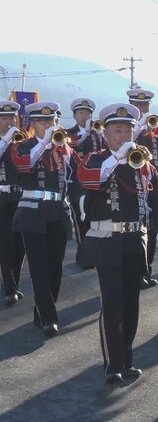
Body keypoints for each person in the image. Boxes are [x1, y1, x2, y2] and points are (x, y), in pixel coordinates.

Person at [77, 103, 158, 384]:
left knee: (131, 304)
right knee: (112, 303)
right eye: (117, 130)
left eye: (128, 130)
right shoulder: (97, 159)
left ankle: (127, 360)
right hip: (107, 239)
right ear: (106, 133)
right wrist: (115, 160)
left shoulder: (141, 162)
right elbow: (85, 181)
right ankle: (112, 364)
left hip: (136, 239)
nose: (123, 136)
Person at [11, 101, 82, 337]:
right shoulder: (22, 145)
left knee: (55, 268)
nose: (48, 126)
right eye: (42, 122)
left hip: (58, 212)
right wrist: (43, 142)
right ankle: (49, 318)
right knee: (39, 268)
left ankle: (40, 311)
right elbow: (24, 165)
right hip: (32, 212)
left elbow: (76, 178)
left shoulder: (64, 149)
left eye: (51, 121)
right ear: (33, 124)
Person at [129, 88, 158, 289]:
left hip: (154, 186)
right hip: (133, 186)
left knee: (153, 227)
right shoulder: (130, 129)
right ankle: (136, 272)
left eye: (146, 106)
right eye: (139, 106)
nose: (143, 109)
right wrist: (139, 126)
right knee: (136, 229)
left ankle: (147, 269)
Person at [66, 97, 105, 269]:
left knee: (97, 217)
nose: (84, 116)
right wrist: (86, 133)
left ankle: (96, 253)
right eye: (81, 113)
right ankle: (83, 255)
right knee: (81, 219)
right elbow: (71, 145)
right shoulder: (68, 133)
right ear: (74, 115)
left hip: (97, 181)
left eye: (87, 113)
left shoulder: (98, 133)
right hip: (78, 182)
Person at [0, 101, 25, 305]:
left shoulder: (20, 141)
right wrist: (6, 140)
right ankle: (9, 287)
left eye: (12, 118)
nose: (10, 122)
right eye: (5, 118)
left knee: (20, 244)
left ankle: (14, 282)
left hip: (20, 197)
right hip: (1, 198)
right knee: (5, 243)